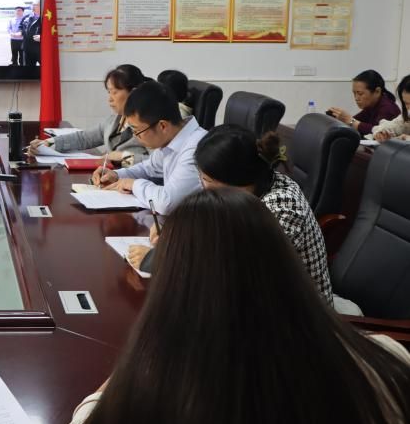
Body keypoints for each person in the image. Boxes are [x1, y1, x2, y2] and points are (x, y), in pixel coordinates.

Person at [63, 189, 410, 424]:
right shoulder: (390, 360)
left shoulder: (155, 396)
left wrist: (141, 353)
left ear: (173, 281)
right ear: (284, 262)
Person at [128, 124, 333, 305]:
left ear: (234, 180)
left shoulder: (280, 210)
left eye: (207, 180)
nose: (203, 187)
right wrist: (177, 233)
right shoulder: (255, 186)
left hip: (295, 316)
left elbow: (232, 275)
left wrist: (160, 261)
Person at [91, 81, 206, 214]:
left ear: (162, 126)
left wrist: (133, 184)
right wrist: (116, 175)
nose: (135, 137)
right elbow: (148, 169)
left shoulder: (196, 148)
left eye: (137, 131)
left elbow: (167, 203)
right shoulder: (171, 140)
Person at [28, 64, 149, 167]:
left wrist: (123, 157)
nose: (110, 99)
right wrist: (48, 143)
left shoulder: (148, 124)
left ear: (133, 93)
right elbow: (84, 138)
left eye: (115, 92)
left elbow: (156, 164)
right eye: (109, 92)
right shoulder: (115, 120)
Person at [327, 69, 400, 136]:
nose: (356, 98)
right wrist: (340, 118)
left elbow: (378, 132)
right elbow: (356, 120)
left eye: (360, 93)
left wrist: (350, 121)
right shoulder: (371, 105)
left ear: (377, 91)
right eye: (354, 93)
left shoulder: (388, 108)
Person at [371, 73, 410, 141]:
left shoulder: (387, 106)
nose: (409, 108)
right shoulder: (406, 116)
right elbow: (389, 126)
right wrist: (381, 132)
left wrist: (407, 138)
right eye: (406, 103)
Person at [22, 2, 42, 67]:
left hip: (40, 49)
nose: (33, 7)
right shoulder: (26, 17)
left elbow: (52, 32)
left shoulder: (47, 17)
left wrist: (43, 38)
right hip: (27, 49)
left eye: (36, 5)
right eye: (33, 5)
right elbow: (21, 27)